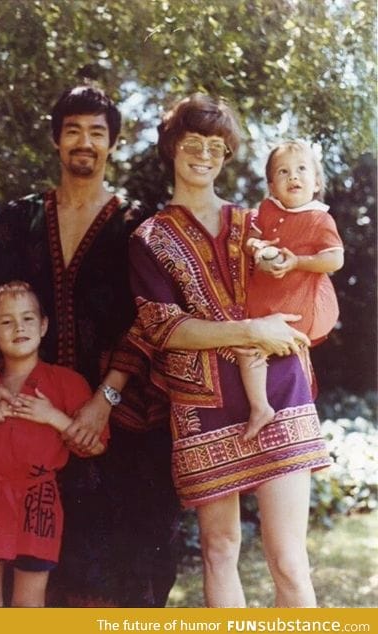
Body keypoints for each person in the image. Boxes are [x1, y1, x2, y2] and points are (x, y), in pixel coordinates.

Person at [0, 85, 180, 607]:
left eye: (97, 133)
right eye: (73, 130)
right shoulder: (19, 219)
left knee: (129, 553)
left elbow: (148, 321)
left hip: (116, 420)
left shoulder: (135, 225)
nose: (84, 142)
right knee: (38, 563)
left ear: (112, 145)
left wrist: (105, 401)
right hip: (29, 413)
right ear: (56, 141)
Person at [128, 93, 331, 607]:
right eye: (193, 142)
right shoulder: (149, 238)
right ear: (171, 148)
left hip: (280, 387)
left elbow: (312, 277)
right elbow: (165, 329)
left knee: (288, 559)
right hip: (203, 405)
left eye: (217, 146)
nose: (204, 154)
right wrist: (252, 332)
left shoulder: (255, 224)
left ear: (227, 156)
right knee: (221, 549)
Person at [0, 281, 107, 607]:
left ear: (43, 327)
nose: (19, 327)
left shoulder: (66, 383)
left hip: (37, 501)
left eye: (28, 319)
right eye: (6, 321)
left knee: (29, 605)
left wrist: (52, 416)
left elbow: (94, 445)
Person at [237, 140, 344, 440]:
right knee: (248, 347)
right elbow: (251, 239)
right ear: (272, 185)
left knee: (269, 351)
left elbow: (335, 258)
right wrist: (257, 249)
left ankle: (276, 411)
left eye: (301, 170)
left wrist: (297, 261)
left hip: (296, 304)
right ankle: (261, 407)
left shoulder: (320, 218)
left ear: (317, 181)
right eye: (283, 172)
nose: (293, 176)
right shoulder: (268, 209)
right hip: (264, 302)